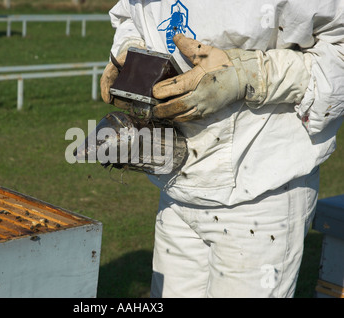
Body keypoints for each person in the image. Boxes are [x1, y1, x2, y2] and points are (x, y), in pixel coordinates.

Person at [100, 0, 344, 298]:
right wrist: (131, 50)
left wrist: (251, 73)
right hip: (176, 189)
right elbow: (131, 16)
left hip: (260, 194)